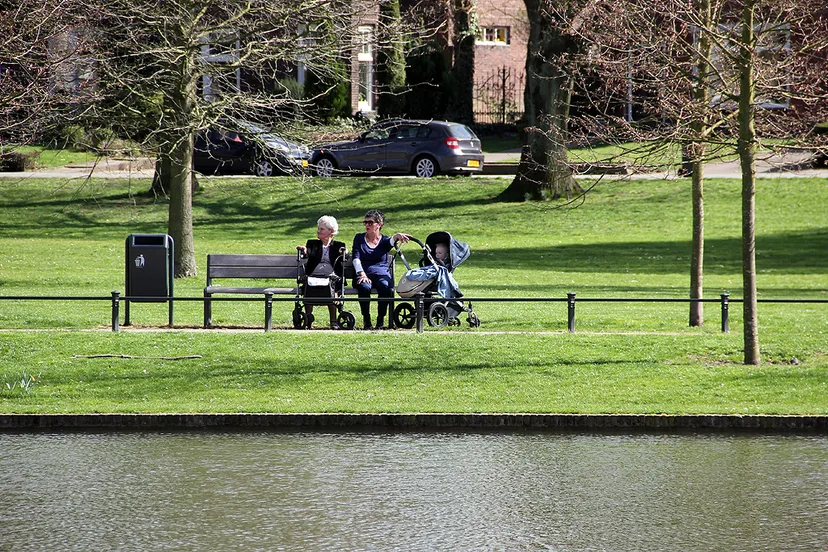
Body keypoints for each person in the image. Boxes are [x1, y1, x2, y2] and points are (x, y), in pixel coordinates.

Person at [352, 209, 410, 329]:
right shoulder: (359, 238)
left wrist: (397, 236)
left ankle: (380, 320)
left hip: (380, 274)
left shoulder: (383, 241)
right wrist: (362, 274)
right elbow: (356, 258)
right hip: (364, 273)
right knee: (364, 287)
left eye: (370, 222)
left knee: (385, 286)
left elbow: (391, 241)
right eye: (365, 222)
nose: (367, 225)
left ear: (379, 224)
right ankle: (366, 320)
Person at [297, 215, 346, 329]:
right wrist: (304, 250)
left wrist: (344, 252)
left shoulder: (339, 246)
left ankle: (333, 321)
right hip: (313, 276)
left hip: (332, 277)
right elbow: (307, 252)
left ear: (331, 231)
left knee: (332, 289)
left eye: (321, 229)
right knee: (308, 286)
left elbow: (345, 255)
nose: (318, 231)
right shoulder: (312, 244)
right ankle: (308, 318)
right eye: (318, 228)